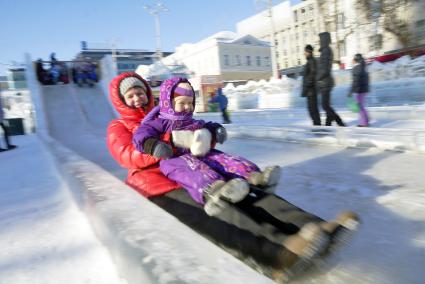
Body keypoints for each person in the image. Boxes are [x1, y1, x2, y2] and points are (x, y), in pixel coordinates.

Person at [106, 72, 359, 282]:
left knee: (250, 193)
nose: (137, 98)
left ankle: (311, 228)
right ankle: (278, 253)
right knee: (222, 212)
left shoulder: (169, 111)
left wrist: (210, 134)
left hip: (199, 168)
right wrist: (162, 144)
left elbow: (197, 132)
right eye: (130, 95)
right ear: (121, 101)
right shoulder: (119, 127)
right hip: (161, 183)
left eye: (140, 92)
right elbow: (126, 153)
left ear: (148, 93)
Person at [132, 77, 281, 216]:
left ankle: (254, 177)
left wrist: (216, 130)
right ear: (168, 103)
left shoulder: (191, 120)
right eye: (182, 103)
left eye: (190, 103)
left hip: (200, 152)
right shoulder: (160, 122)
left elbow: (205, 125)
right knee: (192, 168)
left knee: (223, 159)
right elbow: (141, 134)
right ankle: (212, 190)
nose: (187, 107)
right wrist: (152, 145)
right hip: (174, 157)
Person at [317, 32, 345, 127]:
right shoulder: (326, 51)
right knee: (326, 105)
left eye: (320, 40)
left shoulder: (326, 51)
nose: (319, 41)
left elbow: (324, 69)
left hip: (325, 82)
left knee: (325, 105)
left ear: (324, 40)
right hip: (325, 82)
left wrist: (317, 78)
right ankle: (328, 124)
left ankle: (339, 122)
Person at [301, 45, 321, 126]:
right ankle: (317, 125)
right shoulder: (310, 61)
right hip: (310, 90)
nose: (304, 53)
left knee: (312, 109)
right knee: (312, 109)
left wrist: (307, 85)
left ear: (308, 52)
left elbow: (312, 74)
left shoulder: (311, 61)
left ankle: (317, 126)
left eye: (305, 52)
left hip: (311, 90)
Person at [348, 54, 370, 127]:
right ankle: (366, 120)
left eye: (353, 59)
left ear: (355, 60)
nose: (352, 60)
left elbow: (355, 81)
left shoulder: (356, 68)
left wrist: (351, 92)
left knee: (359, 107)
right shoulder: (363, 67)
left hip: (358, 90)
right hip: (364, 90)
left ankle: (363, 123)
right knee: (362, 106)